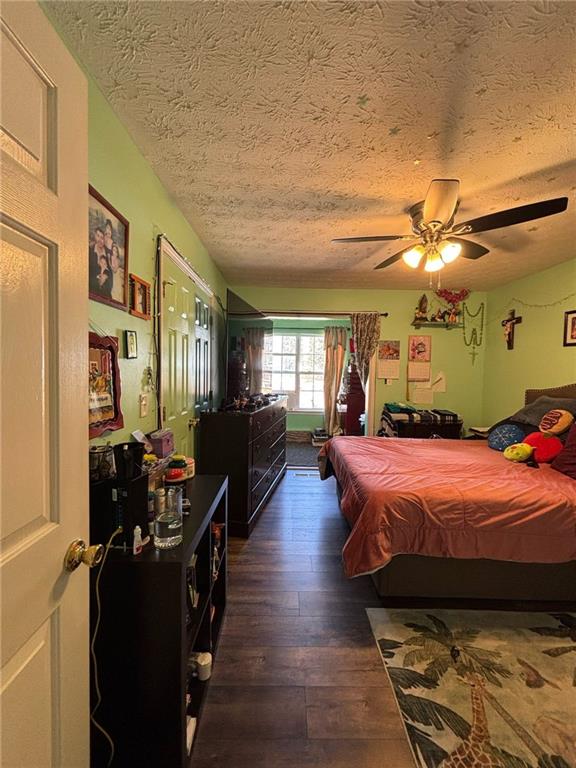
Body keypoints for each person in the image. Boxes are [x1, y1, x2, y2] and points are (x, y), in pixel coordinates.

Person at [89, 227, 112, 298]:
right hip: (92, 291)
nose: (100, 240)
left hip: (106, 292)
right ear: (95, 236)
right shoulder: (90, 251)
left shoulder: (108, 253)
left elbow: (111, 274)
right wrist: (98, 280)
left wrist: (106, 276)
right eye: (98, 236)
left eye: (102, 237)